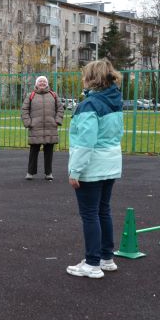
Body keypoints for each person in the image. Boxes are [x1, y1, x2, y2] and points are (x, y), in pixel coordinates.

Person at [66, 59, 124, 279]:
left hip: (93, 165)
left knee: (90, 214)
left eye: (85, 75)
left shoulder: (89, 105)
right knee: (103, 210)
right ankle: (105, 258)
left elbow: (85, 142)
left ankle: (92, 263)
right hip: (111, 163)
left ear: (92, 79)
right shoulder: (115, 100)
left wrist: (75, 171)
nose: (82, 79)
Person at [21, 75, 64, 180]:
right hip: (35, 127)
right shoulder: (30, 95)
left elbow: (60, 108)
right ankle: (30, 173)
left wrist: (57, 121)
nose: (42, 83)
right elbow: (24, 110)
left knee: (49, 152)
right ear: (36, 84)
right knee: (33, 151)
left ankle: (48, 173)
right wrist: (28, 122)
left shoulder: (53, 95)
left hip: (50, 127)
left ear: (47, 84)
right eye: (40, 81)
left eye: (44, 82)